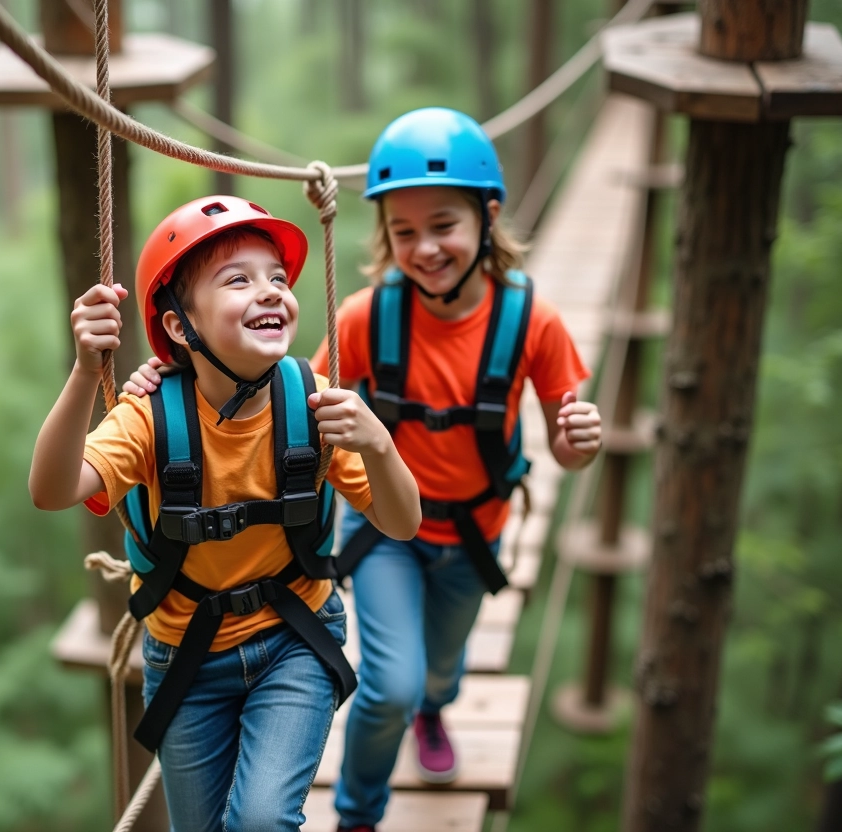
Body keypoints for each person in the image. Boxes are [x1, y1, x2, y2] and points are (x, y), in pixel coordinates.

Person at [124, 109, 603, 832]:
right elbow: (274, 395)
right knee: (389, 686)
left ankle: (436, 712)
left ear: (487, 215)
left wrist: (577, 441)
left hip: (477, 528)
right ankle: (359, 813)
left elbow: (568, 447)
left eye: (442, 225)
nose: (425, 248)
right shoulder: (363, 320)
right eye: (403, 232)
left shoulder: (532, 322)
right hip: (383, 533)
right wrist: (170, 376)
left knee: (437, 672)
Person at [29, 195, 420, 832]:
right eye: (237, 280)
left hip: (295, 638)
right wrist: (84, 372)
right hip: (186, 657)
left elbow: (402, 523)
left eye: (276, 277)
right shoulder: (150, 418)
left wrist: (377, 443)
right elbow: (52, 489)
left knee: (261, 822)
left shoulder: (313, 406)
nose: (268, 291)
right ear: (182, 327)